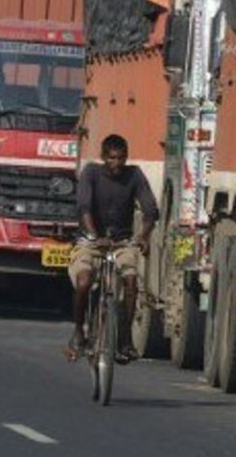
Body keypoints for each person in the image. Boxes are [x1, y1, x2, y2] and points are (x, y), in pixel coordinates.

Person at [67, 134, 159, 363]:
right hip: (91, 241)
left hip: (122, 242)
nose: (116, 164)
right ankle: (79, 331)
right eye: (111, 158)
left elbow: (150, 210)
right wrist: (94, 236)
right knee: (84, 281)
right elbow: (84, 207)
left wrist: (144, 236)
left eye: (121, 159)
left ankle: (125, 339)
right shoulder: (91, 173)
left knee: (130, 280)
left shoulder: (134, 175)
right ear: (103, 157)